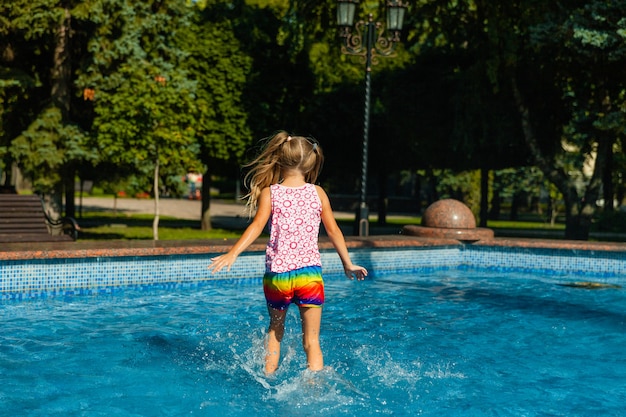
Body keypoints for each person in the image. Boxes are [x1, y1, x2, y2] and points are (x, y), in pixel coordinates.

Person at [207, 130, 368, 375]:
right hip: (309, 276)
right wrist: (348, 263)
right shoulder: (318, 193)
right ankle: (314, 387)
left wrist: (233, 253)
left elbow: (256, 226)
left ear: (280, 160)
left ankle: (268, 377)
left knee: (275, 331)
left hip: (278, 276)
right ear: (311, 163)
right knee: (312, 341)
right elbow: (334, 231)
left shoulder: (270, 193)